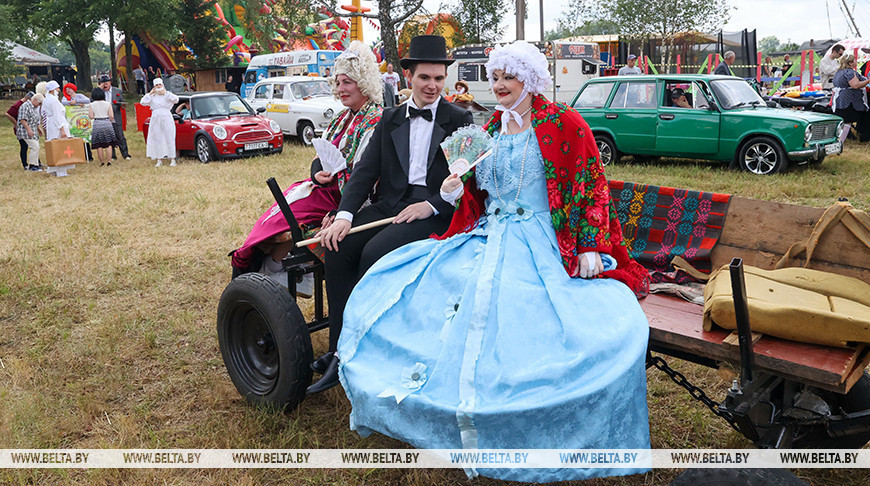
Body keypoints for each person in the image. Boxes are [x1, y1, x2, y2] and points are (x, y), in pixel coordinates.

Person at [336, 41, 650, 482]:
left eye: (509, 77)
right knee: (411, 277)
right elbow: (481, 195)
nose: (499, 85)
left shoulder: (564, 123)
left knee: (524, 317)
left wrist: (590, 245)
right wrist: (451, 191)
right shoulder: (494, 128)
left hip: (541, 242)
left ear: (531, 79)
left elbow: (590, 185)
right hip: (489, 234)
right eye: (495, 76)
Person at [307, 35, 474, 394]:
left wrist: (430, 204)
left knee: (373, 253)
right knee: (336, 246)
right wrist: (344, 216)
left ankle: (367, 352)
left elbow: (466, 180)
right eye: (424, 78)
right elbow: (365, 172)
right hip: (389, 205)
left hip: (434, 210)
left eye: (438, 78)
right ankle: (339, 350)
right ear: (408, 76)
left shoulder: (460, 119)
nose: (432, 86)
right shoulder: (390, 117)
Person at [230, 40, 385, 287]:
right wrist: (316, 174)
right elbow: (320, 156)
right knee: (273, 217)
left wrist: (341, 212)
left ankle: (270, 269)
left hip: (346, 198)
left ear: (364, 83)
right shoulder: (342, 117)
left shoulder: (375, 120)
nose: (341, 88)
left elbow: (368, 180)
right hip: (323, 190)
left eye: (348, 82)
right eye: (338, 82)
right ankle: (262, 267)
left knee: (281, 221)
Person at [140, 78, 179, 166]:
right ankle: (159, 159)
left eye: (159, 85)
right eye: (156, 85)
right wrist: (150, 93)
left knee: (169, 137)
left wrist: (165, 93)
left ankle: (172, 158)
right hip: (156, 117)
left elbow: (176, 99)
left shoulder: (167, 94)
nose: (158, 87)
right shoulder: (152, 96)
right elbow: (143, 102)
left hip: (166, 116)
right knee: (157, 137)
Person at [832, 53, 870, 142]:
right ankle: (840, 142)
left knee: (843, 121)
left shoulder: (839, 72)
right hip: (849, 100)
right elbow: (855, 85)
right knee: (847, 121)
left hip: (840, 100)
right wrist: (868, 81)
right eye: (855, 60)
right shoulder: (849, 72)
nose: (856, 62)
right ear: (850, 63)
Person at [98, 75, 131, 161]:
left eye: (106, 83)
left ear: (110, 83)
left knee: (120, 136)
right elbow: (92, 100)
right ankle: (112, 155)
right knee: (108, 137)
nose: (105, 85)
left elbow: (122, 101)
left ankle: (125, 154)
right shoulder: (100, 92)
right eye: (103, 83)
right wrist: (98, 89)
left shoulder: (117, 91)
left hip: (116, 115)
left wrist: (122, 105)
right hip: (104, 116)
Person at [89, 88, 117, 166]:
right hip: (106, 122)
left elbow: (91, 116)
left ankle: (102, 161)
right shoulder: (107, 104)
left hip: (97, 123)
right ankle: (109, 161)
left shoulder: (92, 105)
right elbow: (111, 116)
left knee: (99, 145)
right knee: (109, 144)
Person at [6, 92, 35, 169]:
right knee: (24, 146)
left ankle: (36, 162)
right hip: (22, 129)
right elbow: (8, 114)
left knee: (34, 146)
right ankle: (25, 164)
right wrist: (16, 124)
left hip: (28, 128)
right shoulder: (18, 105)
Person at [17, 94, 44, 172]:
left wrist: (38, 128)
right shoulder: (25, 106)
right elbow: (22, 119)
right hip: (25, 131)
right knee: (35, 146)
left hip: (33, 130)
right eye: (39, 103)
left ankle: (35, 164)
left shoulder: (33, 107)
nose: (39, 105)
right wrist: (28, 129)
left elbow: (34, 119)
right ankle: (32, 165)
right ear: (35, 100)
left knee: (36, 146)